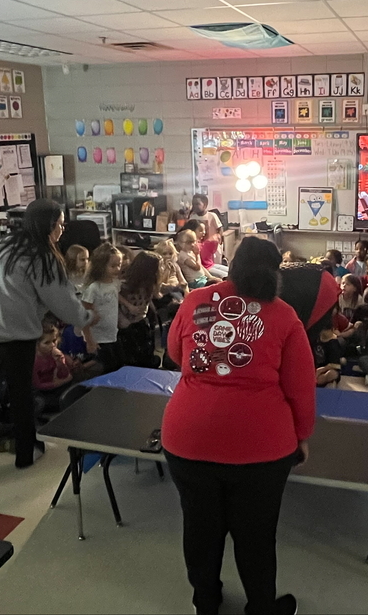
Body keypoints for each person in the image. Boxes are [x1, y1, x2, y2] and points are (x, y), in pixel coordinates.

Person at [163, 237, 312, 615]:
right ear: (275, 272)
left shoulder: (195, 301)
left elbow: (176, 353)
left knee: (200, 528)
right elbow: (300, 386)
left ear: (233, 266)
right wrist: (302, 435)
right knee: (256, 535)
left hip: (188, 439)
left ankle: (205, 602)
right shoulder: (284, 316)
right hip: (262, 448)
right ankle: (261, 607)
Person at [0, 199, 95, 482]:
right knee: (21, 393)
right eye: (60, 224)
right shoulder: (43, 257)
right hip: (13, 332)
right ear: (49, 225)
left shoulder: (2, 245)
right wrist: (87, 318)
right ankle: (26, 453)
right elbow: (63, 304)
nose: (62, 230)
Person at [80, 243, 125, 372]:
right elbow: (83, 314)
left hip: (112, 332)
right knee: (107, 367)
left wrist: (129, 306)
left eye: (119, 265)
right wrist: (90, 340)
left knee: (119, 364)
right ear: (101, 266)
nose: (117, 269)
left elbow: (115, 297)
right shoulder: (94, 288)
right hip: (99, 336)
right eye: (113, 266)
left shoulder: (114, 283)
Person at [117, 250, 162, 368]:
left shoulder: (150, 283)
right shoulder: (125, 282)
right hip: (127, 321)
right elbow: (114, 294)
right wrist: (129, 306)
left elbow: (156, 295)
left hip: (141, 319)